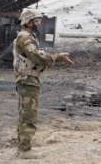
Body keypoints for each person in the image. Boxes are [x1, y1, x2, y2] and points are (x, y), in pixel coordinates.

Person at [13, 9, 74, 158]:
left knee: (25, 114)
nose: (39, 23)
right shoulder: (25, 38)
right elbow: (36, 57)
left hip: (28, 79)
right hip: (28, 80)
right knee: (29, 115)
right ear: (29, 22)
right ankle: (24, 150)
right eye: (36, 20)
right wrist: (57, 57)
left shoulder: (28, 36)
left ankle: (23, 147)